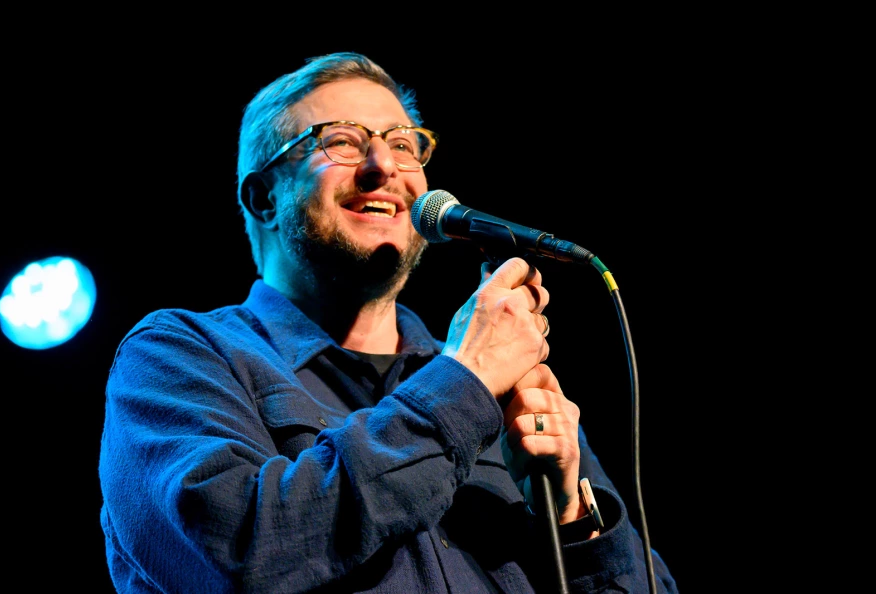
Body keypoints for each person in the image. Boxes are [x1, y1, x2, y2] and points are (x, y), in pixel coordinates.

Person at [98, 51, 679, 593]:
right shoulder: (179, 354)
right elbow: (236, 551)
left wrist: (573, 517)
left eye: (404, 145)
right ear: (264, 198)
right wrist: (465, 383)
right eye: (341, 142)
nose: (384, 167)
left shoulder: (503, 381)